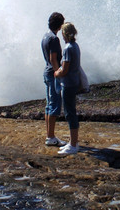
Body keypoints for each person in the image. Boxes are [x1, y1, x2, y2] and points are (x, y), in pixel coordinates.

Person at [54, 22, 81, 155]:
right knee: (71, 112)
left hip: (68, 84)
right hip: (73, 82)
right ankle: (73, 142)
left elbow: (64, 70)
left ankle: (74, 145)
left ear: (65, 33)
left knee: (70, 114)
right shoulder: (75, 46)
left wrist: (56, 73)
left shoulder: (68, 48)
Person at [41, 12, 67, 147]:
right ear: (60, 25)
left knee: (48, 106)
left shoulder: (45, 36)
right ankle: (50, 137)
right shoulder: (54, 39)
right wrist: (59, 73)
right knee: (54, 106)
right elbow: (53, 59)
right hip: (52, 74)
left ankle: (49, 135)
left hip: (47, 73)